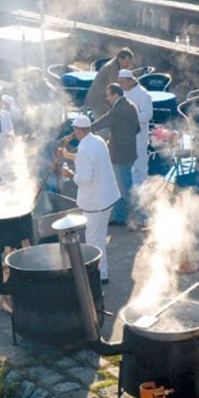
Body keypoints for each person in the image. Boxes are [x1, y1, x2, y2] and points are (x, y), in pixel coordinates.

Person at [60, 115, 120, 284]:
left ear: (79, 130)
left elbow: (85, 177)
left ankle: (100, 274)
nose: (74, 132)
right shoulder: (98, 140)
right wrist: (69, 156)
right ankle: (101, 271)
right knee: (100, 236)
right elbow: (90, 160)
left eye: (74, 129)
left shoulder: (84, 149)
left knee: (94, 239)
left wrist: (71, 174)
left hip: (95, 201)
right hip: (108, 197)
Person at [90, 83, 140, 226]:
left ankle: (135, 218)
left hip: (119, 154)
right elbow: (137, 129)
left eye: (108, 95)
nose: (107, 98)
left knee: (123, 188)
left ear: (116, 95)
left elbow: (101, 123)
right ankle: (120, 217)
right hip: (129, 151)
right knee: (121, 185)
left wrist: (84, 130)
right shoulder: (131, 106)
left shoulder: (117, 110)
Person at [119, 69, 153, 185]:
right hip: (125, 137)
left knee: (140, 166)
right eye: (119, 82)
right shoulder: (122, 93)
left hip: (139, 137)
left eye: (122, 82)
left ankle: (141, 193)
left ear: (130, 81)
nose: (121, 85)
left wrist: (129, 115)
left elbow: (147, 115)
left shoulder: (143, 94)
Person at [85, 48, 135, 119]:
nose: (128, 65)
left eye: (130, 63)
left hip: (104, 101)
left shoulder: (118, 66)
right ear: (120, 59)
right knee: (105, 128)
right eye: (127, 62)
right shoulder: (112, 69)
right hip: (99, 102)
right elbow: (117, 88)